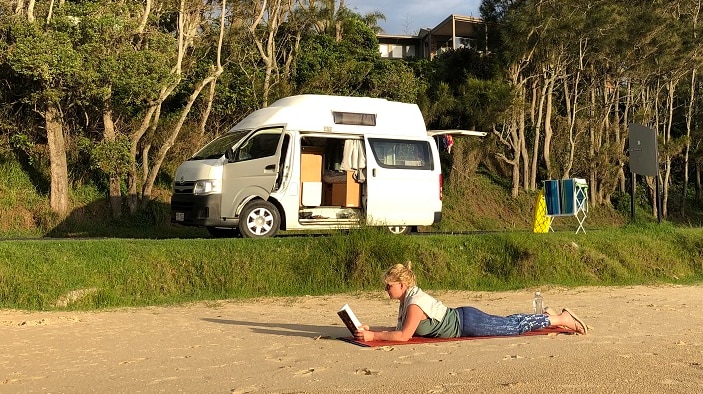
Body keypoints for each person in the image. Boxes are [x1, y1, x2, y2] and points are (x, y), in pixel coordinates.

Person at [354, 261, 588, 342]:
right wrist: (370, 329)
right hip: (465, 318)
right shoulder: (407, 300)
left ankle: (560, 318)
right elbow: (399, 330)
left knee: (512, 327)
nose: (386, 288)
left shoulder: (414, 304)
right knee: (510, 323)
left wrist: (373, 336)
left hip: (468, 322)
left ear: (402, 285)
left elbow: (404, 336)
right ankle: (546, 315)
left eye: (389, 285)